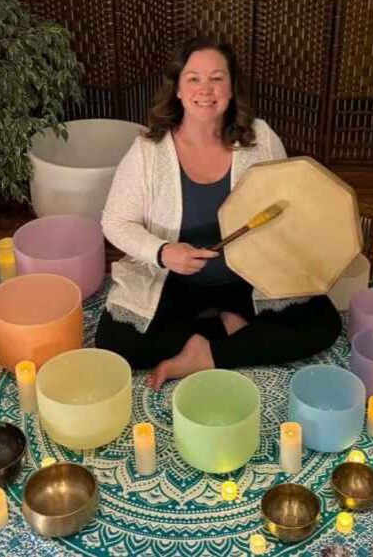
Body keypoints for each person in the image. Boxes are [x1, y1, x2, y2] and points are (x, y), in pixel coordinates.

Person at [95, 37, 342, 390]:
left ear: (231, 86)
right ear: (178, 89)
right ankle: (224, 330)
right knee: (116, 342)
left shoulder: (261, 139)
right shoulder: (148, 152)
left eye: (217, 78)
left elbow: (286, 207)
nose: (205, 89)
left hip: (248, 277)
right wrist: (163, 252)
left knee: (324, 325)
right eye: (193, 78)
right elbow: (114, 222)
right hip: (175, 283)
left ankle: (206, 352)